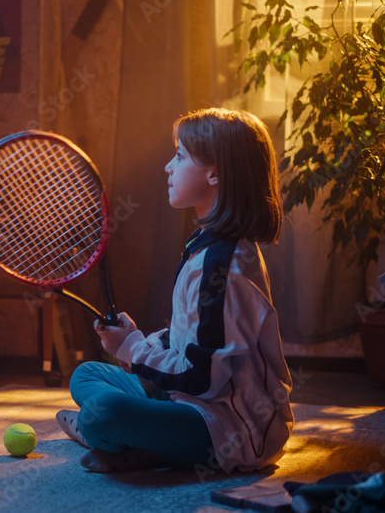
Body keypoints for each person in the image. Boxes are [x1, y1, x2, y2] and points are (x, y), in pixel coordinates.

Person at [56, 107, 294, 475]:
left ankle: (122, 440)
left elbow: (204, 379)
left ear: (215, 172)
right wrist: (136, 342)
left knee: (106, 415)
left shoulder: (221, 266)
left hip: (227, 429)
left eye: (180, 156)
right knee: (86, 375)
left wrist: (132, 349)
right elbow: (192, 336)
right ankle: (131, 439)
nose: (168, 167)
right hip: (191, 401)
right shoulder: (205, 244)